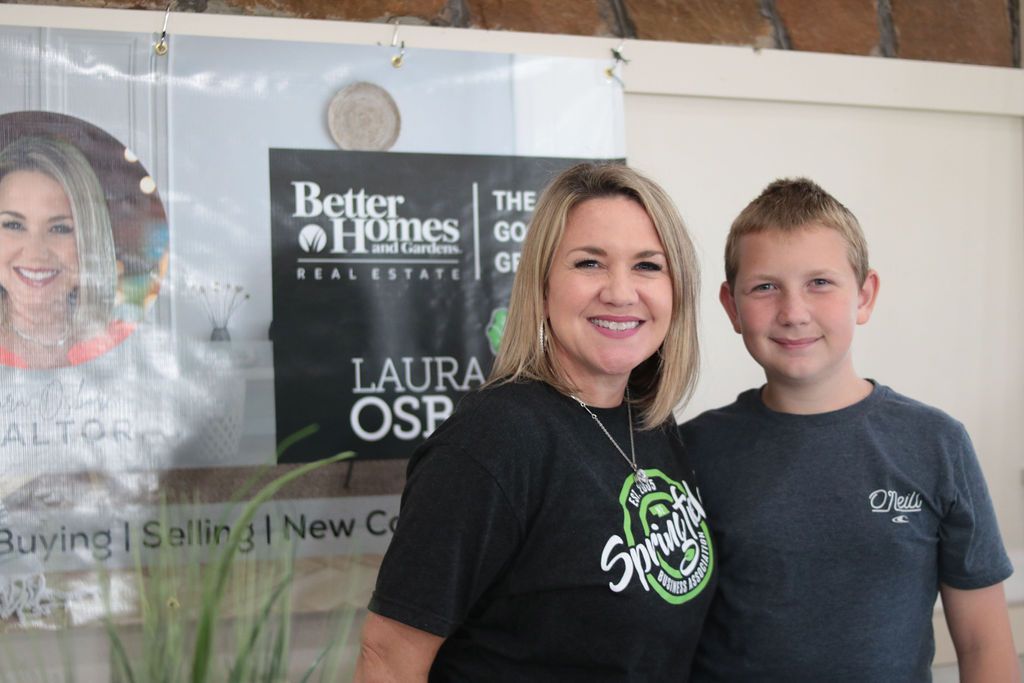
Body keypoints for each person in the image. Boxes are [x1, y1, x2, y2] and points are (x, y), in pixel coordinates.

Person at [355, 163, 716, 682]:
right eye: (589, 263)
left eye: (647, 266)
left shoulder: (649, 422)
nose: (619, 292)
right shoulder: (494, 439)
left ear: (677, 287)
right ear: (543, 286)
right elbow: (386, 660)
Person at [683, 178, 1019, 681]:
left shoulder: (936, 444)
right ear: (732, 307)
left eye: (820, 282)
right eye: (765, 287)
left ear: (864, 296)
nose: (793, 313)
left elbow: (983, 642)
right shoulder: (693, 451)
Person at [0, 135, 131, 369]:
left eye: (60, 228)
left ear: (89, 239)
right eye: (13, 225)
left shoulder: (128, 347)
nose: (36, 253)